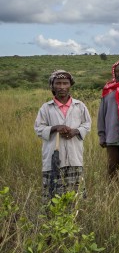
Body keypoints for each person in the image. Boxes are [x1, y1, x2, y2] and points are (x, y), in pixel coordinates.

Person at [35, 70, 92, 203]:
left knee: (74, 198)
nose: (61, 87)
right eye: (58, 83)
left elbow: (87, 124)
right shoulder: (46, 108)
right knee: (52, 198)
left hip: (74, 157)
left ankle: (72, 221)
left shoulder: (79, 106)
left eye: (65, 83)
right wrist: (55, 128)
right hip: (53, 159)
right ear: (52, 86)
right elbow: (38, 128)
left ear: (70, 85)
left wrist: (76, 131)